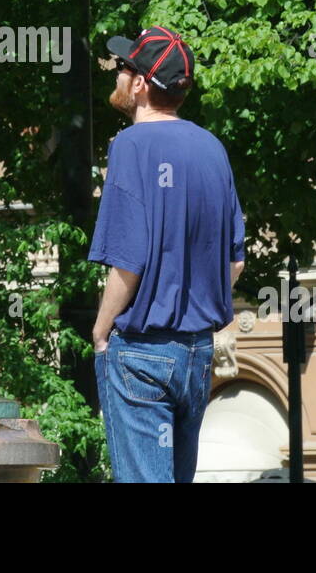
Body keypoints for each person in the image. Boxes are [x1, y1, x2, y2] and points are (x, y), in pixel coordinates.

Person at [90, 25, 247, 482]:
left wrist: (102, 331)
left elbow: (128, 259)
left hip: (141, 352)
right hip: (196, 353)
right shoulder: (212, 149)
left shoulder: (130, 147)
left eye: (123, 67)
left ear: (139, 84)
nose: (116, 75)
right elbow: (235, 259)